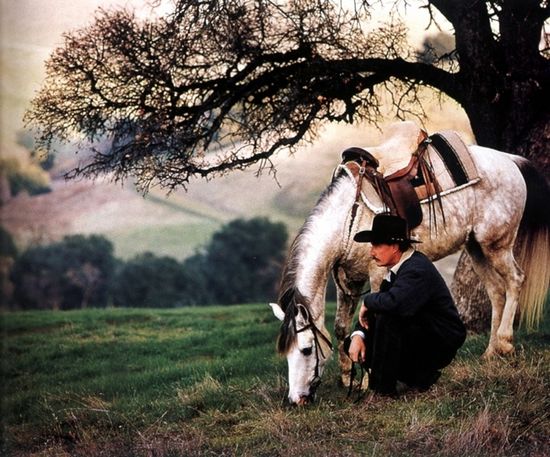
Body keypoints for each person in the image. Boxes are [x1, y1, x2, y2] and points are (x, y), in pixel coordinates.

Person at [345, 214, 466, 396]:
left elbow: (394, 304)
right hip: (419, 332)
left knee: (389, 316)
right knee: (353, 341)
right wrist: (358, 335)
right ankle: (414, 378)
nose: (372, 252)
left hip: (439, 342)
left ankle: (384, 391)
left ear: (394, 247)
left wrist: (368, 301)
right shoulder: (399, 267)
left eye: (377, 245)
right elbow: (385, 303)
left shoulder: (416, 269)